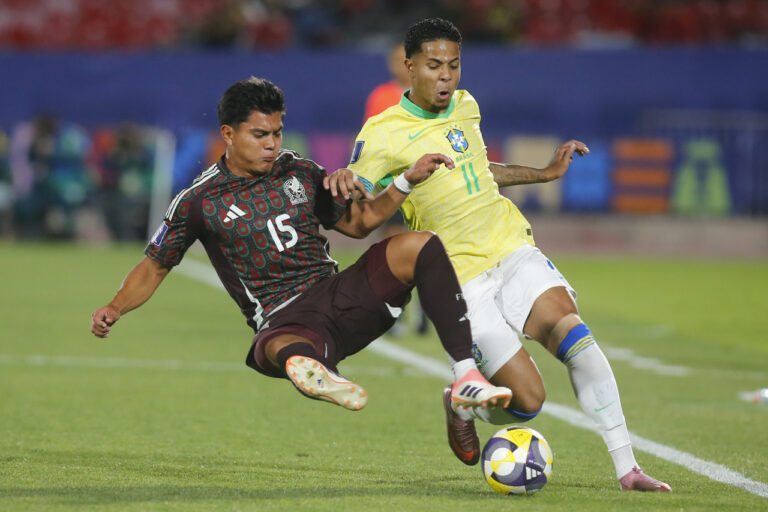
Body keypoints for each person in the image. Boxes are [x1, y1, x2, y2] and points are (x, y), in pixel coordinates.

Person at [338, 19, 671, 492]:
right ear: (409, 67)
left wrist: (544, 173)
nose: (446, 76)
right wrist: (371, 183)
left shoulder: (466, 105)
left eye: (453, 65)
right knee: (528, 400)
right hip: (457, 277)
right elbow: (360, 213)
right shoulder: (383, 133)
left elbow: (480, 169)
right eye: (434, 66)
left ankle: (627, 468)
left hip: (510, 246)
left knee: (574, 334)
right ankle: (460, 402)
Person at [90, 77, 512, 419]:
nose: (272, 144)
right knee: (276, 346)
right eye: (259, 135)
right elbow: (155, 265)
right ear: (228, 134)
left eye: (276, 132)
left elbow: (360, 223)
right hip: (284, 316)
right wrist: (115, 307)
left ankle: (464, 377)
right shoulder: (198, 202)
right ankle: (313, 370)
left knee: (418, 245)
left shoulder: (301, 170)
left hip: (340, 295)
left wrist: (405, 182)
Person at [363, 43, 429, 337]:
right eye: (395, 60)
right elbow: (372, 137)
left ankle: (425, 312)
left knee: (426, 249)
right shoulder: (381, 96)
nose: (400, 65)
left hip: (426, 186)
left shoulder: (432, 95)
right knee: (393, 249)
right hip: (391, 185)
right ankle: (397, 313)